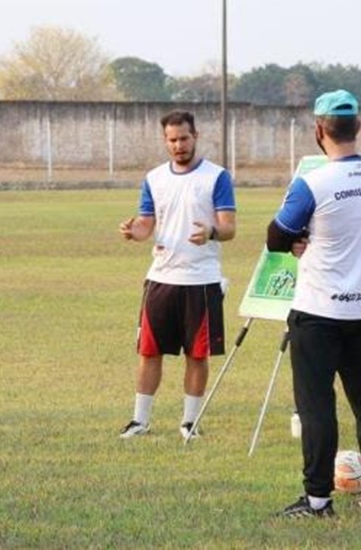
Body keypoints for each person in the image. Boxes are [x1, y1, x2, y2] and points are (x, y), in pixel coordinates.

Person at [267, 89, 361, 518]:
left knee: (316, 403)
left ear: (318, 130)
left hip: (318, 311)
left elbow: (276, 236)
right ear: (358, 126)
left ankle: (318, 500)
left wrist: (299, 238)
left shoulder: (313, 183)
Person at [118, 109, 236, 440]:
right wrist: (133, 231)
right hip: (161, 279)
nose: (179, 145)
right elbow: (146, 224)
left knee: (197, 354)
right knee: (149, 351)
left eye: (184, 138)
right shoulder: (154, 178)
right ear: (165, 141)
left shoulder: (217, 177)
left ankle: (189, 422)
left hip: (201, 280)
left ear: (195, 136)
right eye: (172, 140)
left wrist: (211, 232)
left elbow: (229, 228)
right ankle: (140, 420)